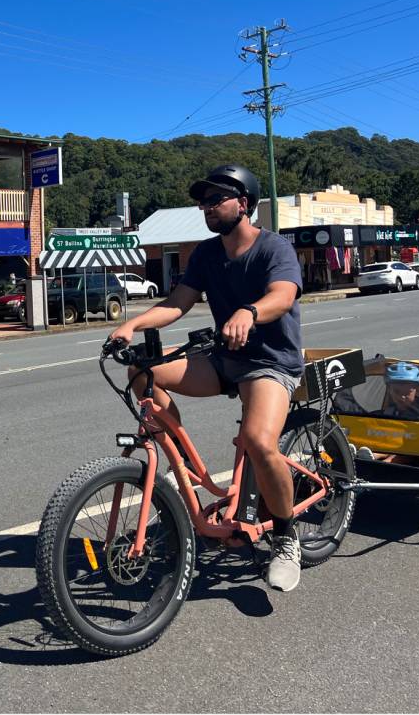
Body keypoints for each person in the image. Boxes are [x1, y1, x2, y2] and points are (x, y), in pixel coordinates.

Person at [109, 164, 306, 592]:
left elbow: (283, 295)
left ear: (245, 204)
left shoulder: (274, 248)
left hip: (270, 362)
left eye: (217, 199)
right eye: (204, 201)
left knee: (258, 443)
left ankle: (286, 536)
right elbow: (178, 302)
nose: (207, 207)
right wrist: (135, 324)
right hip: (223, 359)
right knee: (142, 371)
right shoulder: (206, 253)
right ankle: (179, 462)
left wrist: (248, 312)